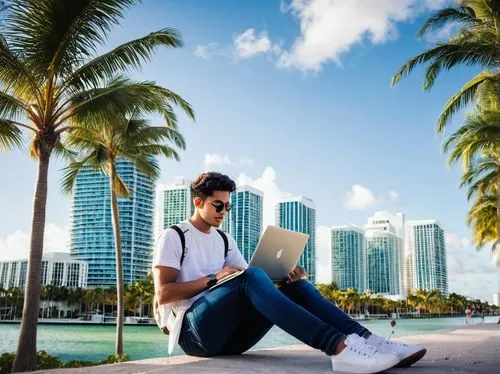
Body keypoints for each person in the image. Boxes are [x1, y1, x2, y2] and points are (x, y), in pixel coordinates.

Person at [153, 172, 427, 374]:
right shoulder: (175, 236)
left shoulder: (224, 240)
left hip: (233, 338)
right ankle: (339, 348)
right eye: (218, 205)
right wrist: (214, 278)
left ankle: (371, 341)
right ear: (199, 202)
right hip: (195, 335)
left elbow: (253, 282)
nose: (224, 211)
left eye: (228, 206)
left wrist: (284, 278)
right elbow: (164, 294)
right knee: (251, 276)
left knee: (290, 285)